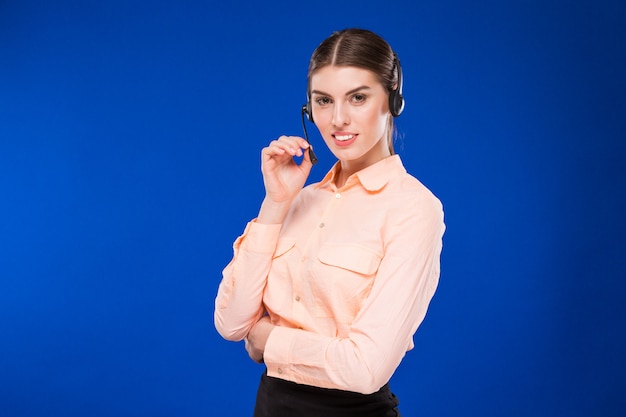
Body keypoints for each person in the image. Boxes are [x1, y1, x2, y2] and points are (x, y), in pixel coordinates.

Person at [214, 28, 445, 417]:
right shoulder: (298, 199)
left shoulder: (413, 208)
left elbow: (364, 368)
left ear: (392, 100)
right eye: (323, 101)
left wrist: (267, 339)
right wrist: (275, 203)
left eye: (358, 97)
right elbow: (231, 322)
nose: (338, 119)